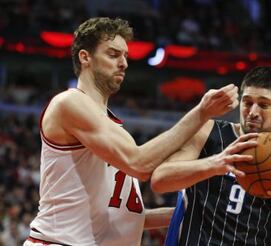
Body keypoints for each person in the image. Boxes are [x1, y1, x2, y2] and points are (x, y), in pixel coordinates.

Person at [23, 17, 247, 246]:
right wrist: (201, 113)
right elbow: (139, 164)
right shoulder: (69, 102)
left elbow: (123, 215)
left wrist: (194, 211)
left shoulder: (113, 127)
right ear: (85, 57)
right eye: (113, 54)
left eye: (125, 56)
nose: (123, 63)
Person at [151, 66, 271, 245]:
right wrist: (214, 164)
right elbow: (160, 180)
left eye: (263, 104)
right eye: (247, 102)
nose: (253, 112)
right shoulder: (208, 132)